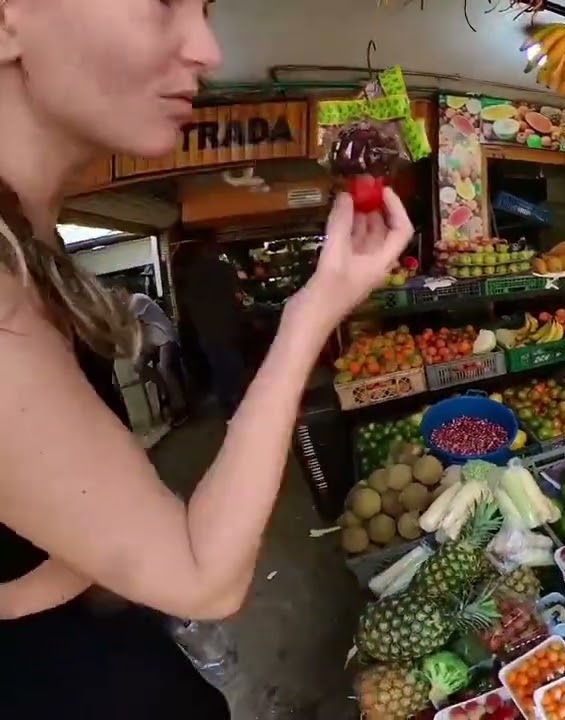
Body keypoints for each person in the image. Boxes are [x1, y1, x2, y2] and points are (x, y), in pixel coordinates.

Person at [0, 3, 413, 718]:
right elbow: (201, 575)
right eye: (161, 1)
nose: (208, 49)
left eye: (206, 8)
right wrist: (313, 309)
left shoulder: (27, 238)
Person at [179, 238, 247, 418]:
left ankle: (227, 407)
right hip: (227, 326)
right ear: (216, 251)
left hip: (205, 331)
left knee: (218, 367)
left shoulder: (191, 274)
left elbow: (187, 302)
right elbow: (239, 296)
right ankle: (242, 404)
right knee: (234, 365)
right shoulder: (225, 269)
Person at [119, 286, 188, 424]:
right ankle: (163, 388)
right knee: (138, 366)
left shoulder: (137, 300)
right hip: (153, 343)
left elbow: (132, 327)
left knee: (164, 367)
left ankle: (180, 407)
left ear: (125, 291)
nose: (118, 298)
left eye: (118, 293)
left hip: (165, 338)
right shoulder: (127, 309)